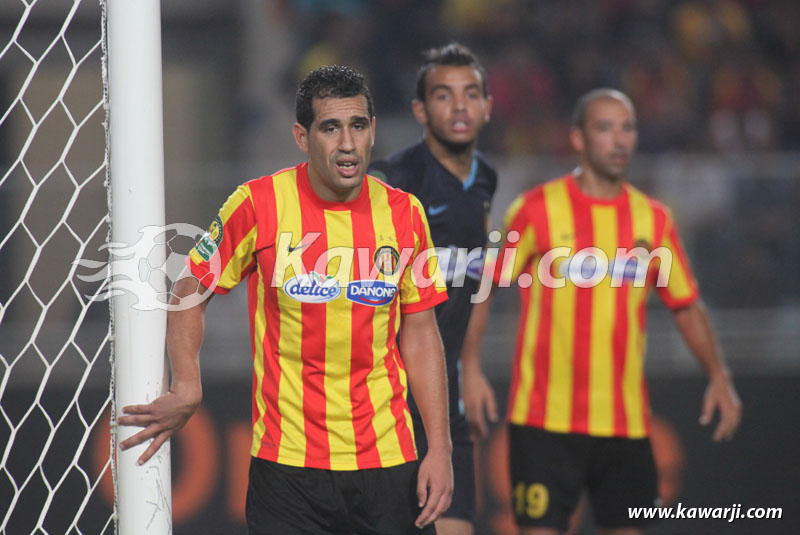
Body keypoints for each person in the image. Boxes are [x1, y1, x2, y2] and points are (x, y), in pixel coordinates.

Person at [117, 65, 454, 535]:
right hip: (288, 469)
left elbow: (419, 332)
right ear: (302, 136)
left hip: (390, 462)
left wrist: (438, 447)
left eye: (358, 125)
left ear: (373, 129)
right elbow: (191, 288)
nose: (348, 143)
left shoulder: (404, 213)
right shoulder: (258, 204)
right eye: (330, 128)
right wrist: (188, 383)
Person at [462, 88, 742, 534]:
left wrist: (719, 376)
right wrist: (470, 365)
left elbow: (686, 305)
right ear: (578, 138)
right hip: (542, 421)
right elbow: (484, 286)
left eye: (627, 128)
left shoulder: (654, 220)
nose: (619, 140)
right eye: (605, 128)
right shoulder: (535, 210)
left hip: (625, 425)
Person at [369, 43, 497, 535]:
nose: (459, 106)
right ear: (421, 110)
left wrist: (472, 364)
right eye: (444, 96)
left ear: (488, 106)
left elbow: (477, 274)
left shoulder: (485, 177)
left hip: (448, 402)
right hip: (393, 400)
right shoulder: (395, 179)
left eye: (470, 95)